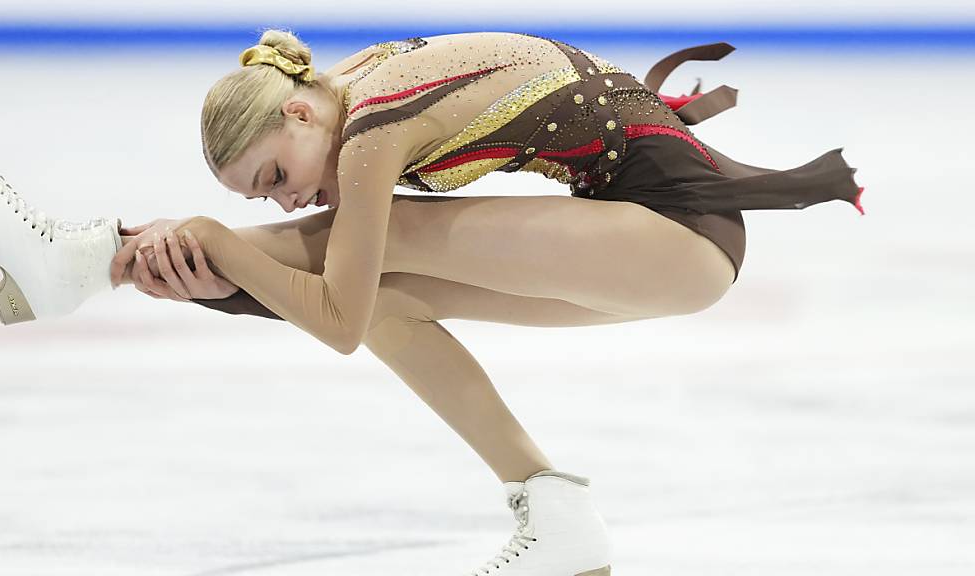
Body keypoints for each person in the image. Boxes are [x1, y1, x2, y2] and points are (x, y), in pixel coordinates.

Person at [106, 30, 865, 576]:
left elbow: (331, 320)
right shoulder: (345, 90)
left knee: (381, 244)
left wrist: (208, 240)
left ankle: (95, 259)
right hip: (663, 243)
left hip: (676, 235)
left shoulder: (371, 133)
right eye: (262, 194)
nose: (287, 194)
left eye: (273, 175)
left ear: (299, 116)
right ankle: (555, 512)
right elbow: (353, 303)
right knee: (387, 299)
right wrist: (218, 281)